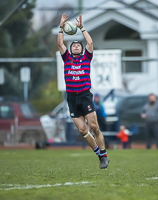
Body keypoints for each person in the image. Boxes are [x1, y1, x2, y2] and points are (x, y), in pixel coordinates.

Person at [57, 14, 109, 169]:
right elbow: (60, 44)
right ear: (70, 49)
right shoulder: (66, 58)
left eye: (78, 45)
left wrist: (82, 28)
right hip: (72, 98)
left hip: (85, 96)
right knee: (82, 130)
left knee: (94, 127)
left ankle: (104, 155)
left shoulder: (86, 58)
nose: (76, 46)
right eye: (73, 45)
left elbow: (90, 42)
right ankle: (99, 156)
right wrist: (61, 26)